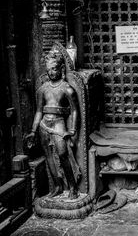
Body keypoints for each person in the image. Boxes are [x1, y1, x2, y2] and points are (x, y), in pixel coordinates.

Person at [26, 43, 81, 199]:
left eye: (54, 69)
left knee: (63, 154)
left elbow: (75, 110)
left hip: (58, 123)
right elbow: (38, 111)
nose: (51, 72)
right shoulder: (42, 89)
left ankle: (73, 187)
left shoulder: (67, 88)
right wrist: (33, 131)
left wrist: (72, 130)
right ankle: (57, 186)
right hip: (44, 123)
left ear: (61, 69)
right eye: (49, 70)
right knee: (48, 155)